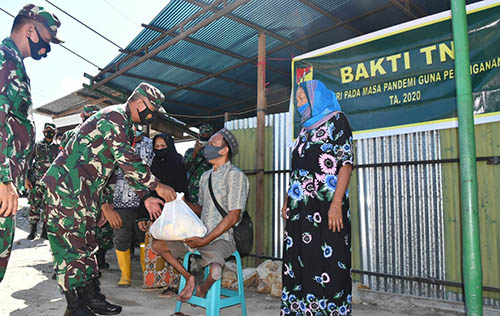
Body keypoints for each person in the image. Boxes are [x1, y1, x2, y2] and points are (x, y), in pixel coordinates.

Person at [41, 82, 177, 316]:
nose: (151, 116)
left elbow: (122, 166)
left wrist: (145, 197)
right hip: (66, 187)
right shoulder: (114, 116)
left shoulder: (123, 123)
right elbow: (125, 158)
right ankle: (75, 306)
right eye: (151, 110)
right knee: (70, 247)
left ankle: (90, 297)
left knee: (86, 244)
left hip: (84, 190)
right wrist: (156, 185)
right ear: (141, 102)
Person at [0, 4, 62, 283]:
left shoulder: (15, 65)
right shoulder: (4, 61)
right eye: (46, 41)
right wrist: (3, 179)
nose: (47, 50)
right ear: (29, 29)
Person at [280, 80, 354, 316]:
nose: (299, 104)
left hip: (326, 205)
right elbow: (297, 170)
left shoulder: (337, 120)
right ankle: (300, 310)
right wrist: (286, 200)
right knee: (300, 259)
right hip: (299, 207)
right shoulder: (304, 130)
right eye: (298, 100)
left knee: (330, 261)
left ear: (315, 98)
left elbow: (345, 163)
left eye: (302, 99)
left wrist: (336, 204)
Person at [152, 128, 249, 302]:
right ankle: (189, 277)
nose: (207, 147)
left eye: (212, 144)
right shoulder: (206, 176)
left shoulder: (236, 176)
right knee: (158, 244)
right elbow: (202, 208)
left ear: (225, 150)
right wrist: (179, 202)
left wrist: (205, 240)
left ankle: (203, 289)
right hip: (200, 234)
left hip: (223, 238)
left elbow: (233, 216)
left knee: (215, 271)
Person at [137, 133, 188, 296]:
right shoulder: (153, 167)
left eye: (163, 147)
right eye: (157, 147)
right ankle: (157, 282)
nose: (160, 150)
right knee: (154, 248)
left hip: (173, 216)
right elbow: (146, 191)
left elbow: (183, 193)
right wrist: (142, 215)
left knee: (172, 249)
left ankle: (174, 285)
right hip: (154, 215)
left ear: (170, 147)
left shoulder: (178, 166)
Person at [110, 129, 154, 287]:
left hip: (145, 200)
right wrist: (108, 205)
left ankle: (146, 273)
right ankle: (125, 276)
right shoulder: (119, 143)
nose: (135, 129)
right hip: (121, 200)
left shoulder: (151, 144)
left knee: (144, 238)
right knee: (121, 237)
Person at [26, 122, 59, 240]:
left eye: (51, 130)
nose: (48, 132)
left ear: (55, 132)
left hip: (51, 183)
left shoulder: (58, 148)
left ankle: (45, 231)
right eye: (46, 130)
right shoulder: (37, 146)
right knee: (34, 206)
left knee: (48, 207)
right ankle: (33, 230)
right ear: (43, 131)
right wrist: (27, 178)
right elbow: (28, 162)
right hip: (36, 182)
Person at [183, 123, 214, 203]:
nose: (206, 136)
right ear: (199, 135)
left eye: (209, 135)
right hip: (192, 191)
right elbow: (184, 168)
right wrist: (195, 152)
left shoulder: (215, 152)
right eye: (203, 134)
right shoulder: (190, 151)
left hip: (209, 190)